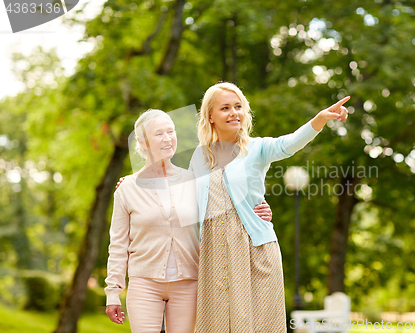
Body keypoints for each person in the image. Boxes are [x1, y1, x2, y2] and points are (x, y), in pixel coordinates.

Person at [189, 82, 350, 332]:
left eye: (238, 106)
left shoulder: (257, 148)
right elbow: (181, 198)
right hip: (213, 252)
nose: (234, 112)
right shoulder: (198, 156)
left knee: (260, 324)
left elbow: (289, 144)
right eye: (225, 108)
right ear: (210, 115)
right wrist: (131, 183)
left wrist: (319, 120)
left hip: (254, 250)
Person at [106, 109, 272, 333]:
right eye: (158, 134)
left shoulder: (194, 181)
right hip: (144, 284)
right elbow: (118, 245)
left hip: (188, 284)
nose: (167, 138)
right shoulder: (127, 188)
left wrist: (257, 212)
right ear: (142, 142)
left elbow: (227, 210)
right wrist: (113, 292)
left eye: (170, 132)